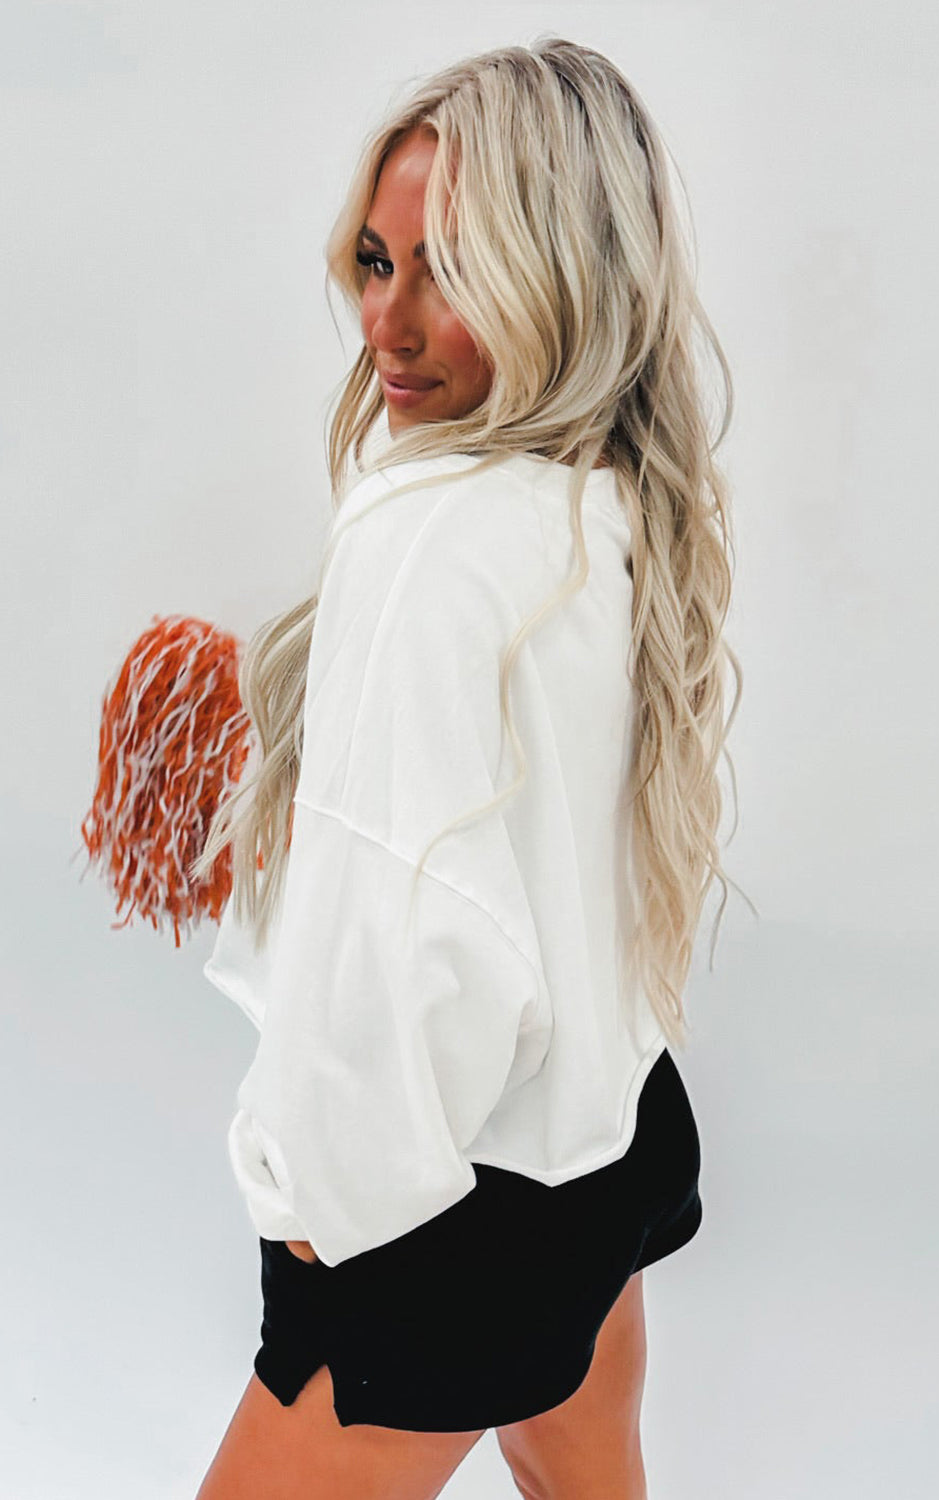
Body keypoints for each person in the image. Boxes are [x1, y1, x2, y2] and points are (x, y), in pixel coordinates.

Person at [193, 33, 742, 1500]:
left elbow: (403, 928)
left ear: (568, 271)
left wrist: (310, 1213)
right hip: (604, 1142)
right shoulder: (612, 497)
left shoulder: (421, 532)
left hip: (427, 1231)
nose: (392, 322)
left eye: (454, 268)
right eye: (375, 263)